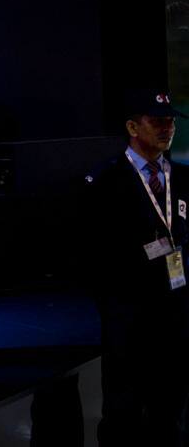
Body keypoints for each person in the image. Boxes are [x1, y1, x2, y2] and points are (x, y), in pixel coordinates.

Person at [83, 89, 189, 446]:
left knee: (171, 408)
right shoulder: (106, 182)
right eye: (157, 121)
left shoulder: (183, 178)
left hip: (176, 311)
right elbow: (98, 254)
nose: (167, 128)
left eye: (170, 121)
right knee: (124, 409)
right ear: (132, 126)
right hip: (130, 313)